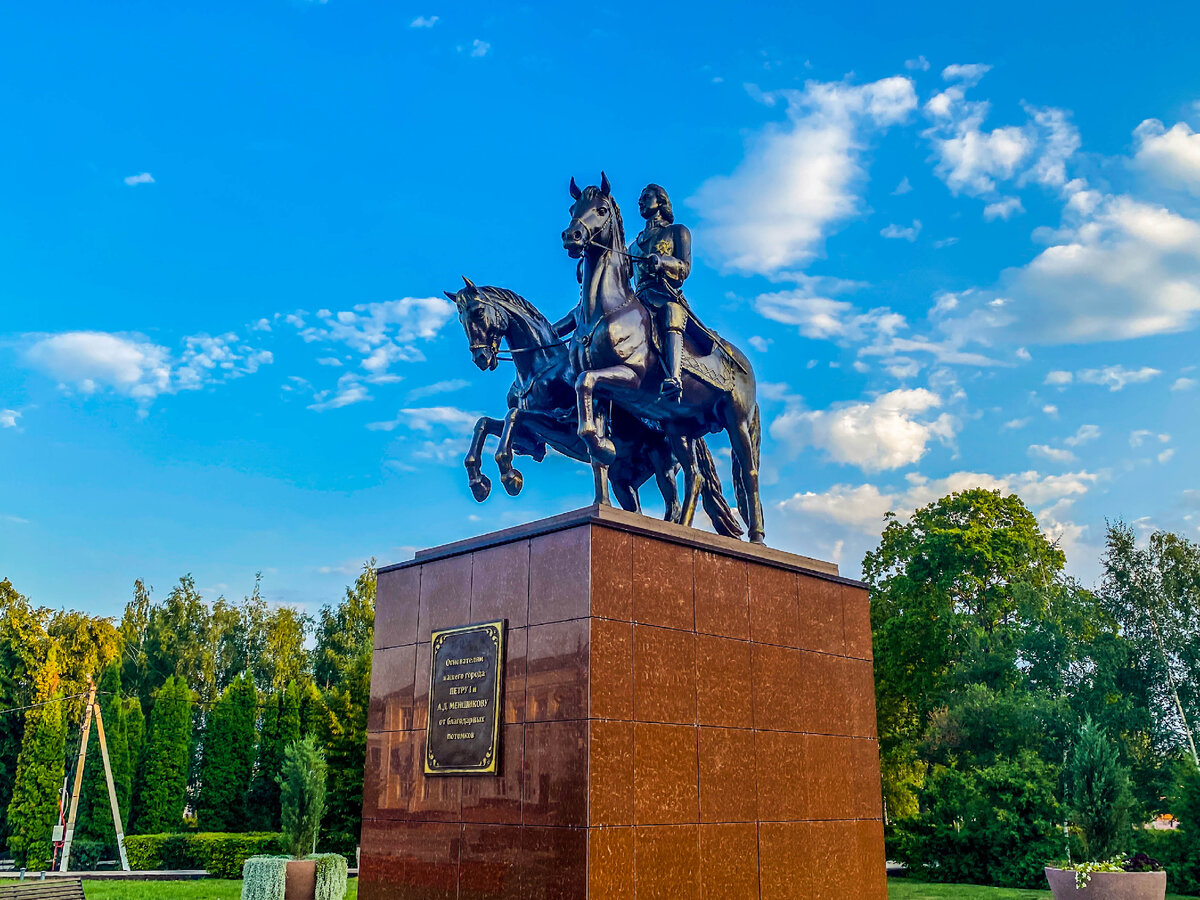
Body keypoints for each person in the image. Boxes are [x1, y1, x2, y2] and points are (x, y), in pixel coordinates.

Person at [631, 184, 691, 400]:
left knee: (671, 311)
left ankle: (674, 378)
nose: (640, 202)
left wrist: (662, 262)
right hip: (639, 300)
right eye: (640, 198)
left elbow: (685, 268)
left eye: (646, 197)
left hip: (664, 296)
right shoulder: (633, 246)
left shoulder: (677, 232)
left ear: (661, 201)